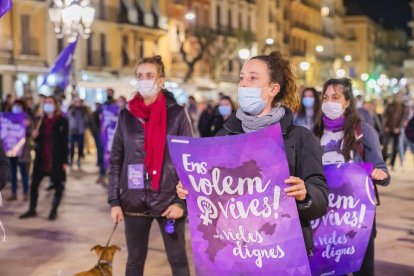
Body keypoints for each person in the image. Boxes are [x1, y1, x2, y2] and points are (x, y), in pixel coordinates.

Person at [177, 51, 328, 255]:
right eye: (242, 78)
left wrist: (306, 194)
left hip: (282, 253)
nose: (244, 84)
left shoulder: (299, 138)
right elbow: (211, 192)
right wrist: (191, 189)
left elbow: (321, 201)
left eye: (253, 78)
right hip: (235, 252)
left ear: (273, 89)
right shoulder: (224, 136)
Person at [108, 55, 192, 276]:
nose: (144, 80)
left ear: (161, 80)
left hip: (168, 201)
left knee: (178, 261)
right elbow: (116, 159)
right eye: (140, 76)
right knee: (134, 262)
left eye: (150, 75)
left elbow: (189, 160)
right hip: (134, 201)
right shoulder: (126, 115)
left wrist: (180, 203)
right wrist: (114, 201)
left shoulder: (177, 114)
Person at [314, 78, 390, 276]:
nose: (329, 102)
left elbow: (383, 173)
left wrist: (375, 172)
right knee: (326, 268)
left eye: (335, 97)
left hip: (356, 217)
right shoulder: (315, 132)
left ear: (347, 102)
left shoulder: (363, 131)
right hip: (324, 217)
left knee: (362, 269)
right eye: (326, 97)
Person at [20, 96, 69, 221]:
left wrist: (65, 161)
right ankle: (32, 209)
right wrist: (35, 136)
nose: (47, 105)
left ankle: (53, 211)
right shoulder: (42, 120)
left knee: (58, 186)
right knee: (34, 184)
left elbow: (64, 142)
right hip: (42, 159)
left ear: (56, 105)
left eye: (50, 103)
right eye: (46, 103)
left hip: (56, 159)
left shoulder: (62, 121)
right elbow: (37, 139)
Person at [6, 99, 33, 201]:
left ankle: (25, 193)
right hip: (11, 150)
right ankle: (14, 193)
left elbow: (32, 134)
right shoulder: (8, 118)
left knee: (23, 172)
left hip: (23, 151)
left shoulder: (27, 119)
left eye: (18, 106)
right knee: (12, 172)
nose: (16, 108)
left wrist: (28, 126)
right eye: (15, 105)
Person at [67, 97, 89, 169]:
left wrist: (84, 127)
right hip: (72, 131)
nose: (78, 103)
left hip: (80, 132)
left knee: (80, 147)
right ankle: (71, 159)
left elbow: (86, 120)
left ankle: (79, 159)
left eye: (79, 102)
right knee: (72, 147)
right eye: (76, 102)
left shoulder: (84, 111)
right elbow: (68, 118)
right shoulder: (71, 110)